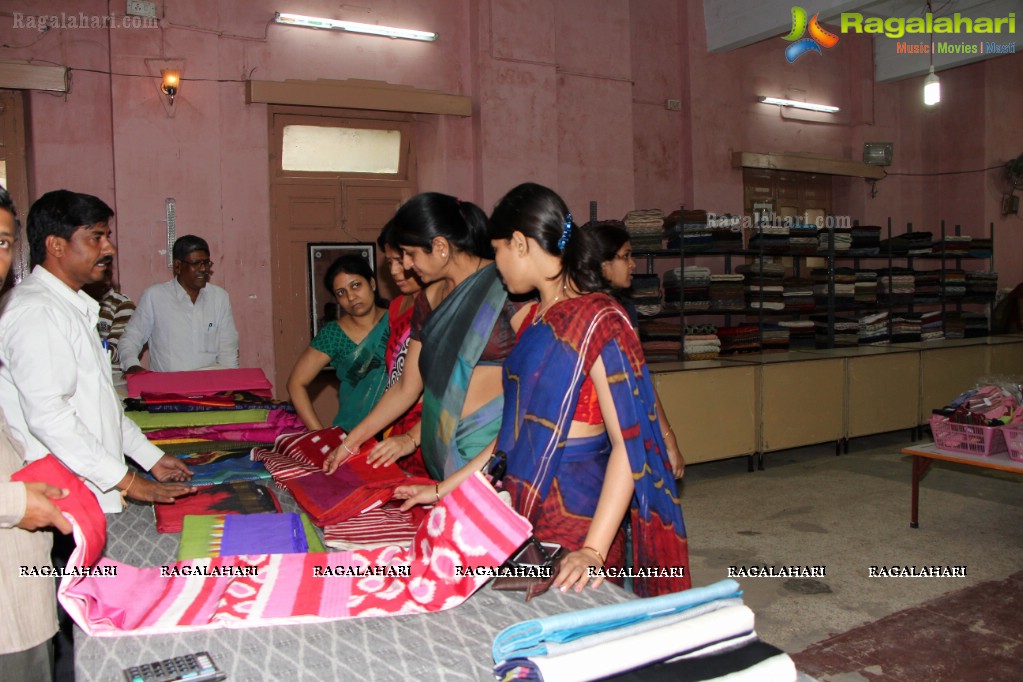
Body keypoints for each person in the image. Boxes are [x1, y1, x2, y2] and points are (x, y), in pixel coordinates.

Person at [396, 183, 690, 597]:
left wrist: (593, 550)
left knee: (581, 625)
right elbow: (508, 438)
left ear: (519, 244)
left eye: (497, 250)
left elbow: (629, 443)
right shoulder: (534, 318)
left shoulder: (598, 318)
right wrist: (443, 489)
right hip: (528, 497)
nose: (497, 265)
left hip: (581, 505)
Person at [0, 189, 196, 514]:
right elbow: (50, 417)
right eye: (96, 237)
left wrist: (151, 458)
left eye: (107, 236)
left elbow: (102, 409)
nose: (110, 248)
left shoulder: (69, 307)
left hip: (81, 491)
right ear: (56, 245)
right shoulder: (38, 312)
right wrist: (130, 481)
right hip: (58, 500)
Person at [328, 192, 531, 480]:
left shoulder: (507, 288)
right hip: (439, 453)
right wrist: (351, 443)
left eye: (410, 254)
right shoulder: (428, 299)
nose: (407, 265)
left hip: (493, 455)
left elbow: (538, 380)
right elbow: (406, 387)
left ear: (440, 247)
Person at [0, 185, 73, 682]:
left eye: (4, 242)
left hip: (20, 578)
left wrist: (22, 481)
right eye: (99, 237)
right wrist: (14, 501)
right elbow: (50, 414)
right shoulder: (29, 311)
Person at [590, 219, 685, 478]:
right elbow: (638, 377)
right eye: (625, 256)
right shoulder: (599, 313)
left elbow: (638, 374)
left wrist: (668, 437)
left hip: (615, 429)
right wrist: (668, 438)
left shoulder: (624, 309)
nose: (633, 264)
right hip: (594, 437)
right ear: (602, 263)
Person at [287, 253, 389, 432]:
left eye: (356, 285)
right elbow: (295, 384)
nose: (351, 297)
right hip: (352, 432)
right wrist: (320, 435)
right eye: (341, 293)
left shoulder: (397, 319)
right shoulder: (333, 334)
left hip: (399, 430)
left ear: (372, 284)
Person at [118, 234, 239, 373]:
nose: (204, 269)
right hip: (167, 390)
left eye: (206, 263)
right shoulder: (155, 297)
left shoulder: (219, 298)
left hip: (210, 389)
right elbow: (130, 339)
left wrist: (231, 384)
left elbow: (228, 350)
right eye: (196, 264)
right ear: (178, 266)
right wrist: (132, 366)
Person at [367, 221, 428, 476]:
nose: (393, 270)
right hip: (396, 419)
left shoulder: (437, 304)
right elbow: (396, 373)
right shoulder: (396, 307)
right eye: (388, 262)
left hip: (426, 422)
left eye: (399, 260)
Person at [83, 264, 136, 367]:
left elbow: (118, 352)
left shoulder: (121, 304)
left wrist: (86, 346)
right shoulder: (78, 301)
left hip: (111, 376)